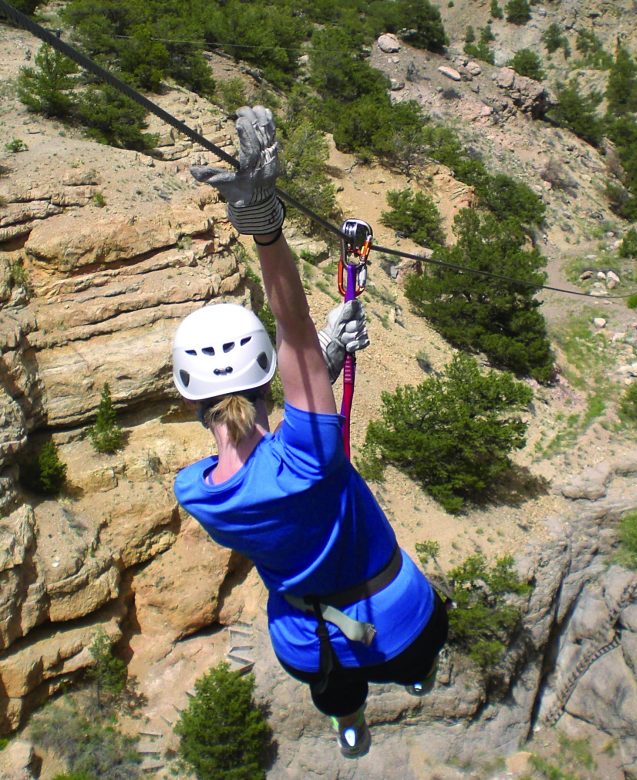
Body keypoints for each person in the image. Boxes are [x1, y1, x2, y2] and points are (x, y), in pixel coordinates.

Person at [171, 106, 448, 759]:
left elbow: (272, 415)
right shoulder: (309, 458)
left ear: (192, 401)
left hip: (303, 639)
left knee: (336, 694)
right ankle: (415, 676)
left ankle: (348, 723)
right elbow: (292, 329)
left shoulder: (198, 493)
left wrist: (319, 359)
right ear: (266, 375)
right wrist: (264, 229)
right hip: (398, 620)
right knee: (416, 658)